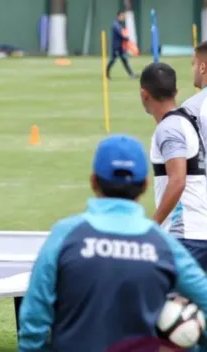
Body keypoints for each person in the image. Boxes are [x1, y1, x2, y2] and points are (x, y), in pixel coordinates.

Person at [17, 134, 207, 352]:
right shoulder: (163, 244)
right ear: (145, 185)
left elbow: (35, 316)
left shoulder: (65, 234)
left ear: (93, 181)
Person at [140, 62, 207, 271]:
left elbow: (177, 181)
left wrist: (153, 225)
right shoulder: (188, 122)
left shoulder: (169, 129)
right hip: (198, 232)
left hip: (186, 235)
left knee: (170, 301)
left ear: (144, 94)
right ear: (175, 91)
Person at [106, 10, 138, 80]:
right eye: (122, 16)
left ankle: (131, 74)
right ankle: (106, 74)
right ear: (118, 16)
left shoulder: (120, 24)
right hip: (116, 47)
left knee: (125, 60)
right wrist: (127, 38)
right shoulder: (116, 25)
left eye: (123, 16)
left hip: (121, 47)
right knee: (112, 60)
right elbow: (121, 34)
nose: (123, 17)